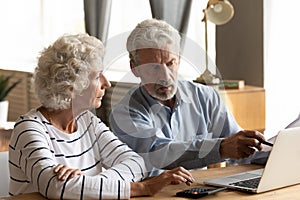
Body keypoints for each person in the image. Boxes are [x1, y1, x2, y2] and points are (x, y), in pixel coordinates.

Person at [8, 33, 194, 199]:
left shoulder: (87, 121)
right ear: (71, 87)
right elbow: (56, 187)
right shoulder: (30, 128)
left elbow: (135, 163)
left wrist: (86, 184)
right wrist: (141, 188)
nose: (106, 83)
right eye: (97, 76)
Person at [109, 19, 267, 176]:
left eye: (171, 63)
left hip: (201, 190)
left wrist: (276, 152)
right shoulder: (124, 113)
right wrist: (220, 148)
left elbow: (241, 147)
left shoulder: (205, 96)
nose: (165, 76)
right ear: (134, 68)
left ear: (178, 59)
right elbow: (158, 153)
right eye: (153, 68)